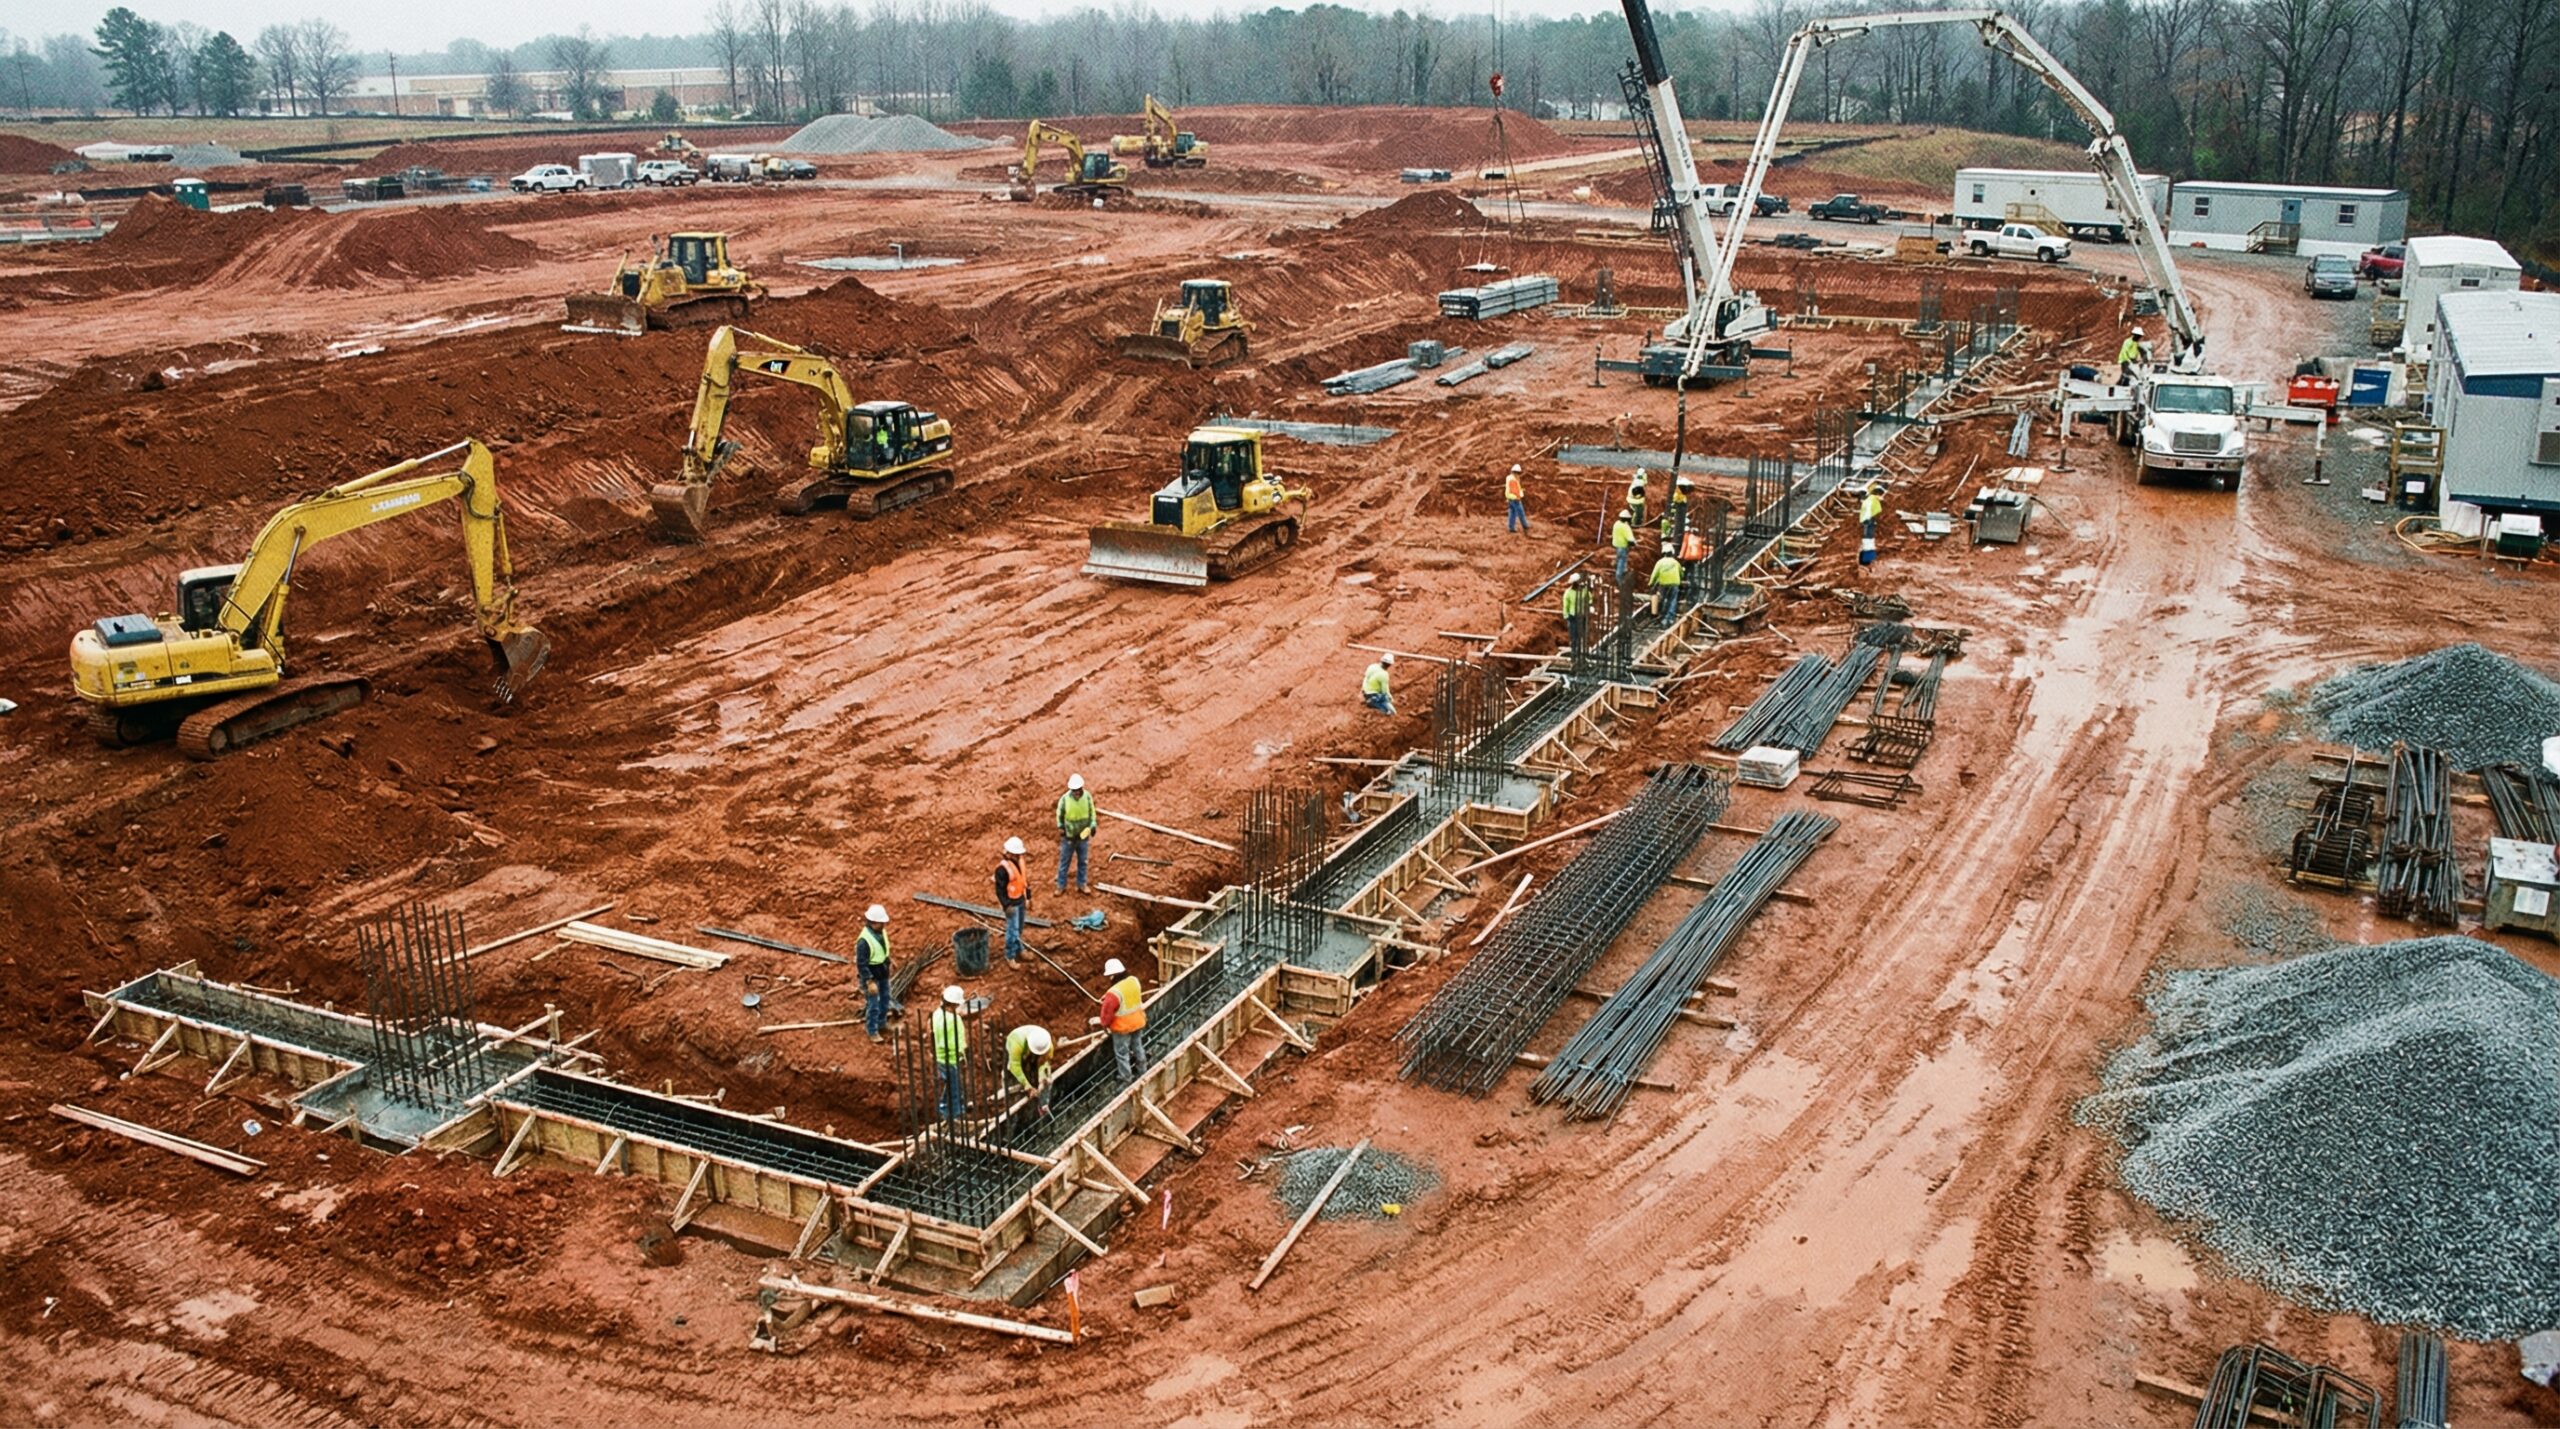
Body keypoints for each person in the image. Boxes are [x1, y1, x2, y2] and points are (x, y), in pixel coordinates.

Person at [1094, 958, 1148, 1082]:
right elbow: (1129, 996)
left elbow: (1107, 1015)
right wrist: (1108, 997)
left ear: (1113, 975)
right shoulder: (1134, 981)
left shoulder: (1113, 993)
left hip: (1122, 1028)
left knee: (1122, 1054)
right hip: (1138, 1022)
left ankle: (1126, 1077)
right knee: (1138, 1046)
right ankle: (1143, 1070)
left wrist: (1104, 1024)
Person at [931, 984, 969, 1119]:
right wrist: (963, 1054)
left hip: (939, 1056)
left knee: (950, 1084)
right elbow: (956, 1042)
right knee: (954, 1087)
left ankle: (944, 1107)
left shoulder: (937, 1014)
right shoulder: (954, 1020)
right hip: (951, 1058)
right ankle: (955, 1114)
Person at [1054, 773, 1096, 894]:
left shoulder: (1087, 797)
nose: (1076, 792)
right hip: (1069, 836)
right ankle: (1061, 885)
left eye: (1078, 790)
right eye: (1074, 790)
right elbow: (1059, 813)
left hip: (1083, 835)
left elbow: (1092, 812)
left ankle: (1081, 884)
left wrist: (1093, 824)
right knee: (1064, 861)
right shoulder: (1065, 799)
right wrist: (1060, 826)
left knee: (1083, 861)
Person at [857, 904, 893, 1043]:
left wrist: (888, 960)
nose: (884, 925)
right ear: (873, 922)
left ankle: (881, 1024)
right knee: (874, 1004)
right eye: (881, 922)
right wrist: (869, 981)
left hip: (882, 971)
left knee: (885, 999)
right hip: (872, 974)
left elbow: (882, 949)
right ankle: (872, 1030)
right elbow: (861, 963)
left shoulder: (880, 932)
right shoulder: (864, 941)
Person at [993, 836, 1029, 965]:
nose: (1019, 856)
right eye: (1016, 854)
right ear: (1009, 853)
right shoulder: (1002, 870)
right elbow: (1000, 890)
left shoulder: (1019, 863)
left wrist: (1028, 897)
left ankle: (1019, 949)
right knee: (1012, 930)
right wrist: (1006, 905)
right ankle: (1010, 955)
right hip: (1011, 904)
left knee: (1018, 928)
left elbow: (1023, 881)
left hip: (1020, 900)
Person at [1006, 1024, 1054, 1115]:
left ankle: (1041, 1107)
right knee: (1014, 1077)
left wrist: (1042, 1078)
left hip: (1029, 1052)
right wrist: (1027, 1086)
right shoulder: (1016, 1044)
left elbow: (1045, 1062)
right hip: (1016, 1051)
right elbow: (1015, 1066)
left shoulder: (1046, 1044)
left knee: (1045, 1080)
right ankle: (1016, 1109)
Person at [1649, 549, 1685, 618]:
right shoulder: (1676, 562)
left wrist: (1651, 583)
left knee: (1663, 599)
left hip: (1664, 583)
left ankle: (1662, 615)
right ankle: (1670, 618)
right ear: (1672, 554)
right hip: (1674, 583)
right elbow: (1681, 574)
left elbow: (1654, 574)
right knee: (1673, 600)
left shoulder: (1660, 562)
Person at [1561, 572, 1591, 653]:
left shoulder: (1584, 590)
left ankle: (1582, 650)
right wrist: (1566, 615)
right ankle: (1574, 651)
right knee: (1574, 635)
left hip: (1582, 615)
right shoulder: (1568, 592)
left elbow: (1589, 599)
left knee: (1583, 634)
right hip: (1573, 616)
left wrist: (1589, 605)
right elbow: (1565, 605)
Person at [1859, 481, 1885, 572]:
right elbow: (1878, 512)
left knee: (1867, 541)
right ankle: (1867, 562)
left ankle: (1865, 561)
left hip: (1866, 521)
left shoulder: (1868, 500)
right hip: (1869, 521)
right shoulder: (1873, 501)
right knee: (1869, 542)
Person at [1610, 509, 1635, 587]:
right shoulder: (1625, 527)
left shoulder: (1616, 524)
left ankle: (1622, 571)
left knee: (1620, 558)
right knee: (1622, 561)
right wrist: (1633, 543)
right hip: (1623, 546)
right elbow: (1630, 539)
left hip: (1616, 545)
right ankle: (1619, 579)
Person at [1504, 463, 1528, 533]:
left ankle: (1511, 528)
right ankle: (1525, 525)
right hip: (1515, 499)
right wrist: (1517, 497)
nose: (1519, 475)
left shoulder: (1512, 479)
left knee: (1512, 513)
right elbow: (1512, 490)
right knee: (1521, 513)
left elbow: (1516, 489)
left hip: (1512, 498)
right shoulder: (1513, 480)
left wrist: (1521, 493)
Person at [1626, 469, 1648, 535]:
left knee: (1638, 512)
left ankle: (1636, 522)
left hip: (1636, 501)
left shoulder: (1638, 481)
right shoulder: (1634, 489)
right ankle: (1634, 523)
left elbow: (1644, 481)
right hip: (1634, 501)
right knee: (1637, 512)